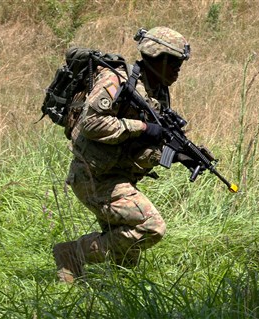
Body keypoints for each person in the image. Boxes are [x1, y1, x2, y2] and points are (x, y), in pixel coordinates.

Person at [52, 26, 191, 283]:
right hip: (95, 177)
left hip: (119, 176)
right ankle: (72, 254)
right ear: (156, 58)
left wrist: (176, 153)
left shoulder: (157, 92)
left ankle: (114, 294)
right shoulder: (116, 80)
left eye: (179, 64)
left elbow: (145, 144)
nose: (177, 70)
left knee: (125, 261)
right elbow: (91, 124)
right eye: (172, 63)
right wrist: (142, 127)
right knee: (150, 227)